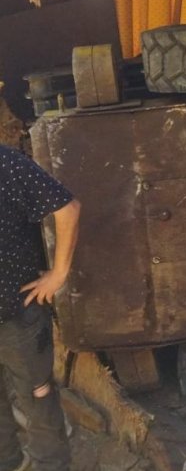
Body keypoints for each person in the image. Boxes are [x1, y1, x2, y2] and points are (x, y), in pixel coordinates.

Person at [0, 144, 80, 471]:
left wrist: (59, 273)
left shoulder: (6, 163)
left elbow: (68, 208)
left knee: (38, 400)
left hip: (18, 313)